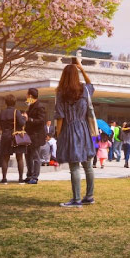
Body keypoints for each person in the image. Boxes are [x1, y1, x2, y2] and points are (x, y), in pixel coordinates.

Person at [54, 61, 96, 207]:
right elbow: (91, 84)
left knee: (75, 167)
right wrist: (82, 69)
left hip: (70, 129)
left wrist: (59, 135)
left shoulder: (61, 94)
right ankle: (89, 196)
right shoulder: (84, 90)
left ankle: (76, 199)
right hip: (84, 130)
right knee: (88, 165)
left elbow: (60, 117)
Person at [0, 94, 27, 184]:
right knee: (19, 157)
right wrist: (24, 117)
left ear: (6, 102)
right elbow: (21, 123)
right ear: (15, 102)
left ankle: (4, 178)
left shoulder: (2, 112)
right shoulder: (16, 112)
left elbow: (0, 125)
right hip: (15, 136)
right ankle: (21, 179)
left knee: (5, 158)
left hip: (5, 136)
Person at [24, 87, 47, 184]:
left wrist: (29, 119)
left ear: (30, 95)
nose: (26, 96)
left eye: (27, 94)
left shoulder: (39, 106)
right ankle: (29, 175)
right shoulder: (30, 106)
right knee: (28, 155)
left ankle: (35, 176)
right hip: (29, 134)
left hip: (36, 135)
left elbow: (41, 121)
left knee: (35, 156)